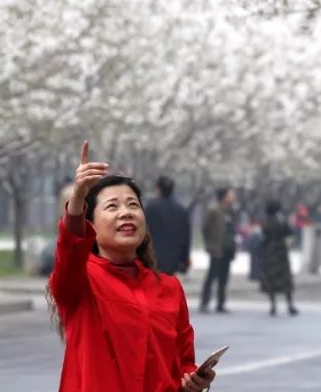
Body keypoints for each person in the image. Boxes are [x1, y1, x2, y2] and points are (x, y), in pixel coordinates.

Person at [48, 142, 217, 392]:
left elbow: (183, 363)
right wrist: (77, 201)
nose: (126, 213)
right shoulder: (80, 281)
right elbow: (69, 249)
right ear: (90, 224)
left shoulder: (169, 288)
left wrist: (193, 379)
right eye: (112, 206)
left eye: (133, 205)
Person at [143, 175, 191, 275]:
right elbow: (186, 237)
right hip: (173, 260)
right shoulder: (181, 211)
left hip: (152, 258)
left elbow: (142, 233)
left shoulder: (150, 208)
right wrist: (185, 260)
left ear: (158, 189)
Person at [200, 187, 237, 313]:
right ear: (224, 197)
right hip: (217, 248)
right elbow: (205, 228)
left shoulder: (231, 211)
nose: (233, 197)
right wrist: (209, 244)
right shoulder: (214, 210)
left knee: (224, 277)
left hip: (228, 249)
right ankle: (204, 302)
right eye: (230, 195)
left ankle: (221, 303)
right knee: (212, 276)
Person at [260, 200, 298, 316]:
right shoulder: (280, 220)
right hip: (280, 251)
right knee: (285, 278)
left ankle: (273, 306)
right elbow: (288, 232)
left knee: (271, 279)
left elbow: (264, 234)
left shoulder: (265, 221)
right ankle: (290, 305)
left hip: (269, 252)